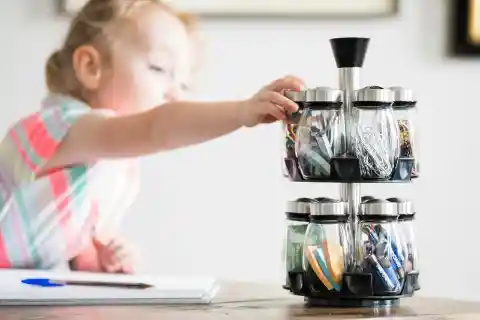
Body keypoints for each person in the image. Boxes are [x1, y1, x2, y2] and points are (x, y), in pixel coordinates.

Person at [0, 0, 304, 274]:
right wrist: (242, 112)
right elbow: (156, 128)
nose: (174, 93)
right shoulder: (63, 127)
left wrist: (108, 259)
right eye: (159, 68)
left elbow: (79, 255)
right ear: (91, 67)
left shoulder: (108, 164)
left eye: (184, 84)